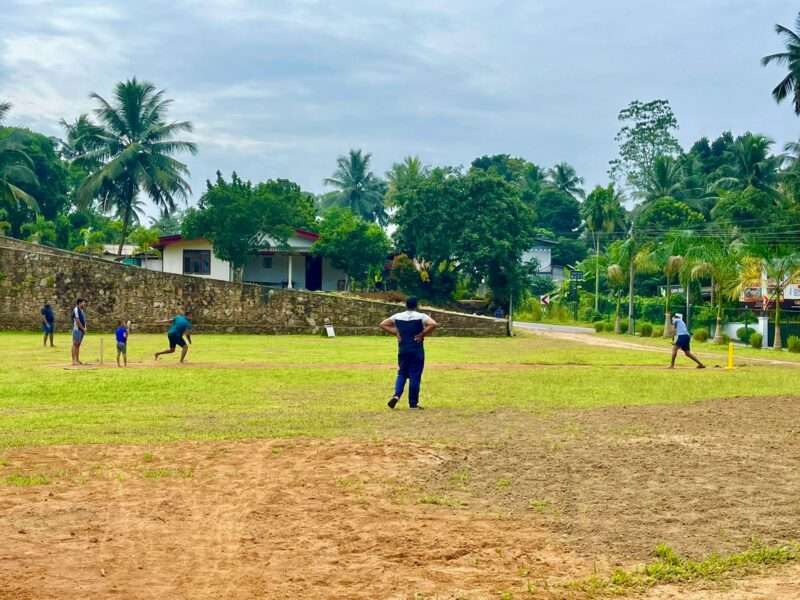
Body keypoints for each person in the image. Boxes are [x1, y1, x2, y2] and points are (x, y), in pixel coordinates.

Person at [380, 297, 438, 410]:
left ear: (405, 305)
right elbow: (433, 324)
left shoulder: (397, 316)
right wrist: (422, 334)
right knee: (415, 376)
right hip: (416, 349)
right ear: (416, 305)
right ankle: (413, 403)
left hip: (403, 349)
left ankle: (396, 395)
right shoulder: (421, 316)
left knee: (402, 373)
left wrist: (396, 332)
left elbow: (383, 324)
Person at [71, 298, 87, 366]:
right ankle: (73, 361)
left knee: (78, 345)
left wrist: (85, 327)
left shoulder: (82, 310)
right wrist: (83, 328)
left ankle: (77, 360)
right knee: (75, 344)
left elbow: (84, 320)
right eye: (83, 302)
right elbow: (77, 320)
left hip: (81, 330)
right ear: (79, 303)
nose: (84, 304)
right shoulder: (76, 309)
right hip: (77, 330)